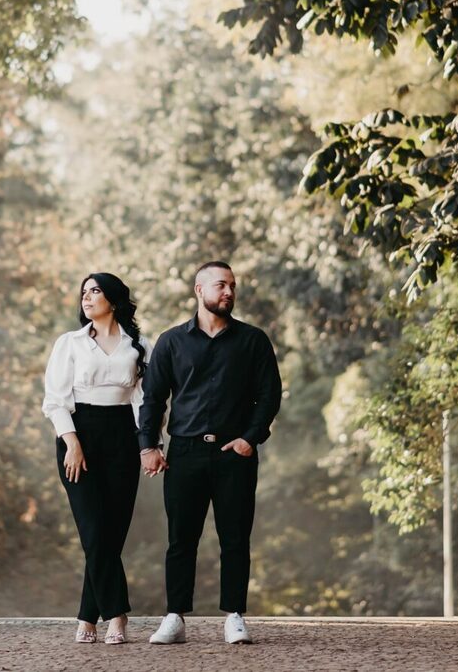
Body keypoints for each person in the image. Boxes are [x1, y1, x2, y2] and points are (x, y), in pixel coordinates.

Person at [138, 260, 282, 646]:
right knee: (181, 539)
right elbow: (152, 399)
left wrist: (250, 439)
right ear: (199, 290)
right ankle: (174, 618)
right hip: (184, 452)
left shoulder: (253, 340)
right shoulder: (171, 342)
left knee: (235, 537)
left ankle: (234, 616)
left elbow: (269, 395)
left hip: (235, 452)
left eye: (232, 285)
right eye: (221, 285)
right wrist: (148, 446)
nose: (229, 292)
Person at [42, 272, 151, 645]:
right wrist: (72, 442)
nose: (86, 298)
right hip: (79, 437)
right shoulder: (69, 343)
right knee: (93, 531)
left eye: (95, 291)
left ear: (114, 300)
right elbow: (55, 400)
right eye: (84, 292)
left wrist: (149, 445)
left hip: (122, 438)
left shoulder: (139, 345)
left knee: (111, 534)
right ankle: (117, 614)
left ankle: (88, 617)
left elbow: (144, 402)